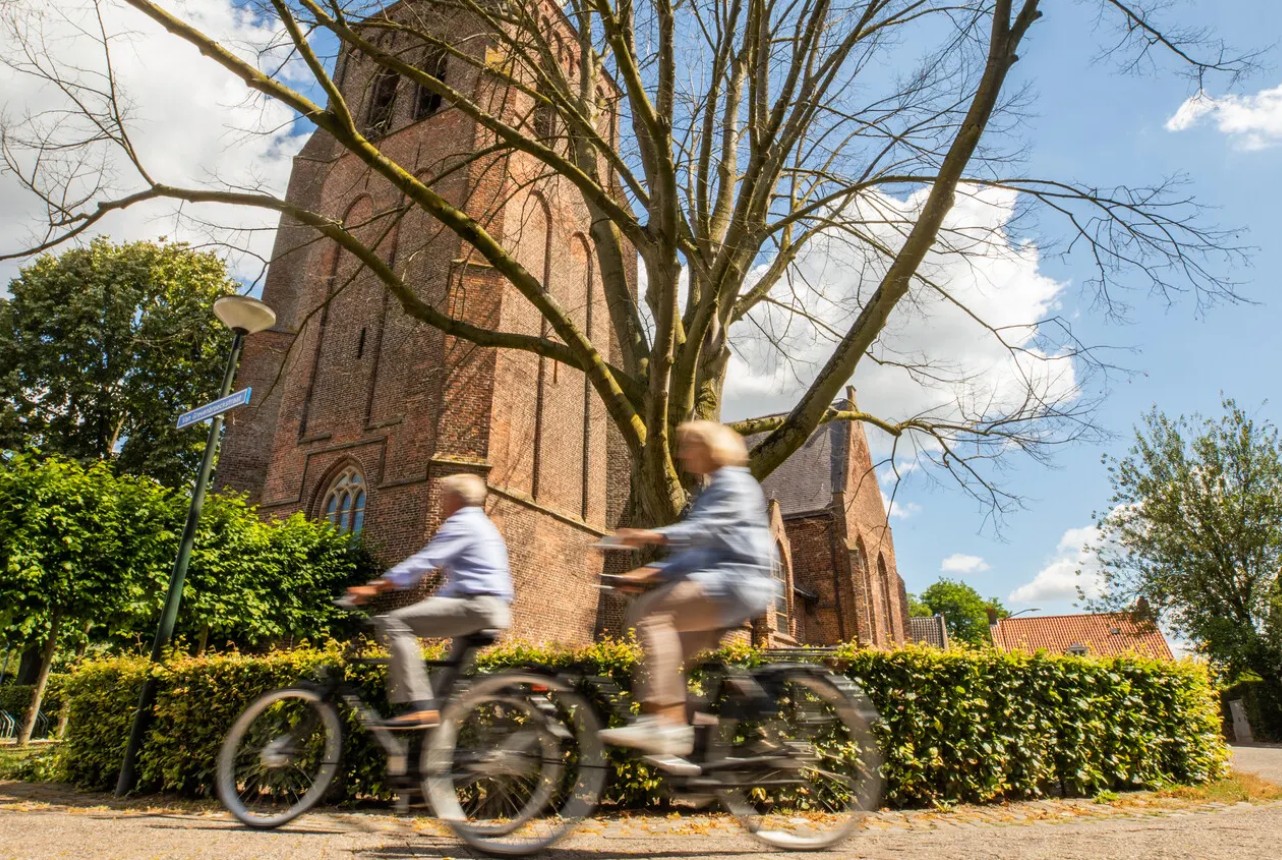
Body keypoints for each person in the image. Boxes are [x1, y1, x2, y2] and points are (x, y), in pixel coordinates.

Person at [598, 421, 778, 757]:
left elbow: (704, 531)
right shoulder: (711, 489)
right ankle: (703, 750)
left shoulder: (734, 483)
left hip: (735, 582)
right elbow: (698, 553)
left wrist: (649, 536)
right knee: (669, 663)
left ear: (710, 448)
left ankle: (666, 729)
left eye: (688, 446)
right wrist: (649, 572)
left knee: (649, 612)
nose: (681, 454)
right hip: (722, 583)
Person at [346, 473, 513, 729]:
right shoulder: (486, 526)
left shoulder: (461, 523)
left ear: (455, 499)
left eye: (444, 497)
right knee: (443, 695)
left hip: (475, 605)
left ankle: (419, 707)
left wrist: (375, 587)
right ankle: (434, 744)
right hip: (493, 608)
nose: (442, 503)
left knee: (395, 622)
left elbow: (424, 562)